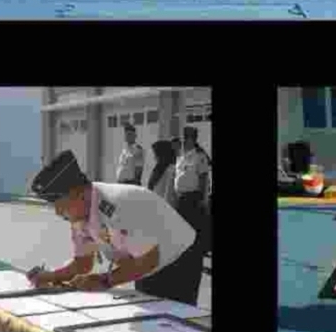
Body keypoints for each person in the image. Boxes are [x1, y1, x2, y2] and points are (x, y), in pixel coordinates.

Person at [27, 150, 202, 305]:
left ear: (77, 194)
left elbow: (149, 261)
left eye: (60, 205)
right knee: (149, 313)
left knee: (175, 321)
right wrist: (51, 276)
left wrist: (104, 280)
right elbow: (83, 263)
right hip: (141, 261)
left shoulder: (118, 206)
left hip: (178, 259)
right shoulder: (79, 214)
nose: (58, 212)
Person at [175, 127, 211, 255]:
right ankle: (185, 252)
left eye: (187, 138)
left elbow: (203, 178)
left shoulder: (199, 156)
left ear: (192, 140)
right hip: (181, 197)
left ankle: (194, 253)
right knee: (182, 226)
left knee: (193, 226)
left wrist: (203, 198)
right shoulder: (181, 156)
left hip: (193, 197)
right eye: (184, 138)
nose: (184, 141)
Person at [147, 140, 178, 208]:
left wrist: (165, 208)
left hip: (164, 207)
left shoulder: (171, 169)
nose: (154, 157)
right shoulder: (157, 169)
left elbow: (169, 193)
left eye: (155, 154)